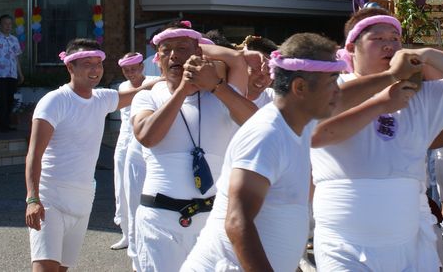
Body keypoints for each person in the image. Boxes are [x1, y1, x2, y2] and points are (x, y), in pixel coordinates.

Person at [310, 7, 443, 271]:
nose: (389, 45)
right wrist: (388, 81)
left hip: (408, 239)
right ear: (351, 48)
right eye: (378, 39)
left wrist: (426, 54)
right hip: (344, 242)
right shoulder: (332, 87)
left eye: (395, 39)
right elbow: (320, 114)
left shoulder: (419, 95)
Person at [182, 33, 346, 271]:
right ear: (299, 87)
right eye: (331, 83)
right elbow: (238, 223)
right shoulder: (267, 134)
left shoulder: (299, 124)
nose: (337, 92)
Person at [130, 22, 261, 272]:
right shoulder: (148, 96)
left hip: (212, 221)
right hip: (160, 220)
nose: (174, 56)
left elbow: (257, 124)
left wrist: (216, 85)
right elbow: (147, 136)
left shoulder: (221, 93)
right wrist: (181, 91)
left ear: (200, 54)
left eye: (182, 48)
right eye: (166, 50)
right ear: (158, 60)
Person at [25, 38, 134, 271]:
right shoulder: (54, 101)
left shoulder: (103, 98)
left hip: (83, 199)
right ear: (70, 67)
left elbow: (141, 92)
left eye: (98, 64)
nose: (95, 70)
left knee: (63, 268)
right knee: (45, 268)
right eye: (87, 64)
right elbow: (34, 154)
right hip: (50, 198)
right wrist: (33, 199)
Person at [111, 53, 162, 257]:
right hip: (124, 143)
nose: (130, 73)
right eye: (126, 70)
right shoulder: (123, 87)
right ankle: (127, 233)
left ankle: (145, 235)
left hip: (145, 143)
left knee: (143, 189)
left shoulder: (154, 82)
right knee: (122, 190)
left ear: (142, 67)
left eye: (134, 68)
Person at [0, 14, 24, 132]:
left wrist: (20, 73)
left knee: (9, 99)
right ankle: (2, 125)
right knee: (1, 99)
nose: (8, 26)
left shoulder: (14, 39)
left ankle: (6, 124)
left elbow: (16, 58)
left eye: (9, 24)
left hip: (12, 74)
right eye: (5, 23)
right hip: (0, 74)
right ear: (0, 25)